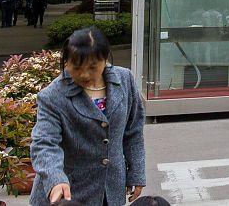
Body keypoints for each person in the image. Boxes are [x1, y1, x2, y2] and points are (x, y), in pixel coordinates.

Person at [29, 26, 146, 206]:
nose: (84, 74)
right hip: (67, 195)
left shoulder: (125, 80)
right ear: (66, 62)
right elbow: (44, 143)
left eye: (93, 67)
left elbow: (133, 130)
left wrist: (136, 172)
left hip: (110, 190)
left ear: (105, 59)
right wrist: (55, 178)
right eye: (76, 67)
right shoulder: (52, 96)